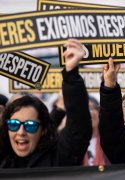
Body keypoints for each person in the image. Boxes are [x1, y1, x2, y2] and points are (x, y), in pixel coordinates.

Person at [0, 39, 92, 168]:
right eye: (14, 124)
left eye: (30, 125)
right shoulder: (3, 159)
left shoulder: (57, 159)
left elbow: (79, 127)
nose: (21, 132)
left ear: (43, 130)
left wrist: (71, 75)